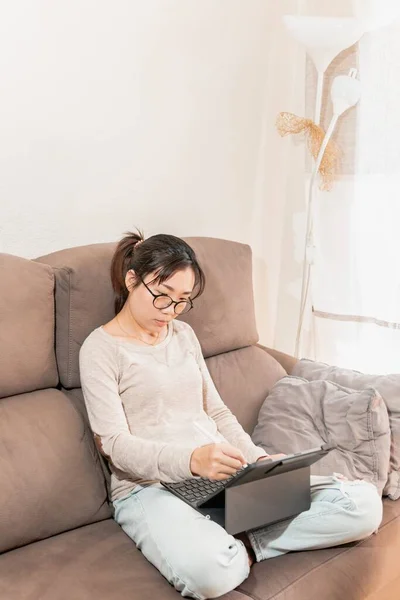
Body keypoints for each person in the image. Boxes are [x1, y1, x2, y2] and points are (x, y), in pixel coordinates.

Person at [79, 230, 383, 600]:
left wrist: (260, 460)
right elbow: (115, 446)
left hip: (218, 479)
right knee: (210, 573)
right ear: (131, 280)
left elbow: (218, 413)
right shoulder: (100, 349)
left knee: (363, 505)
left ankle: (246, 543)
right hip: (148, 488)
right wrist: (191, 460)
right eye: (161, 296)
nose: (169, 311)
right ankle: (231, 541)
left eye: (181, 301)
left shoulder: (184, 335)